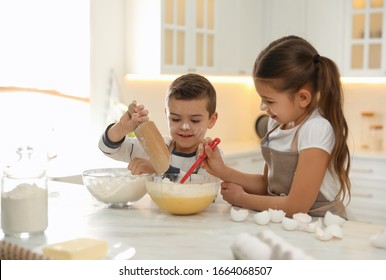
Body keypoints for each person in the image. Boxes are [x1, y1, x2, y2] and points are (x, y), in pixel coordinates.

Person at [201, 35, 351, 218]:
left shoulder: (316, 129)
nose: (262, 107)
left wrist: (242, 198)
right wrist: (223, 171)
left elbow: (296, 206)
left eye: (269, 100)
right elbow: (268, 185)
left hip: (320, 226)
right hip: (288, 222)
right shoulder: (276, 124)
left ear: (303, 98)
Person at [98, 73, 218, 176]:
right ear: (167, 115)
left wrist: (160, 169)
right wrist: (121, 128)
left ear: (211, 120)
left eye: (195, 120)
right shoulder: (153, 146)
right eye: (175, 119)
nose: (184, 126)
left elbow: (201, 186)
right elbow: (107, 149)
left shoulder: (210, 156)